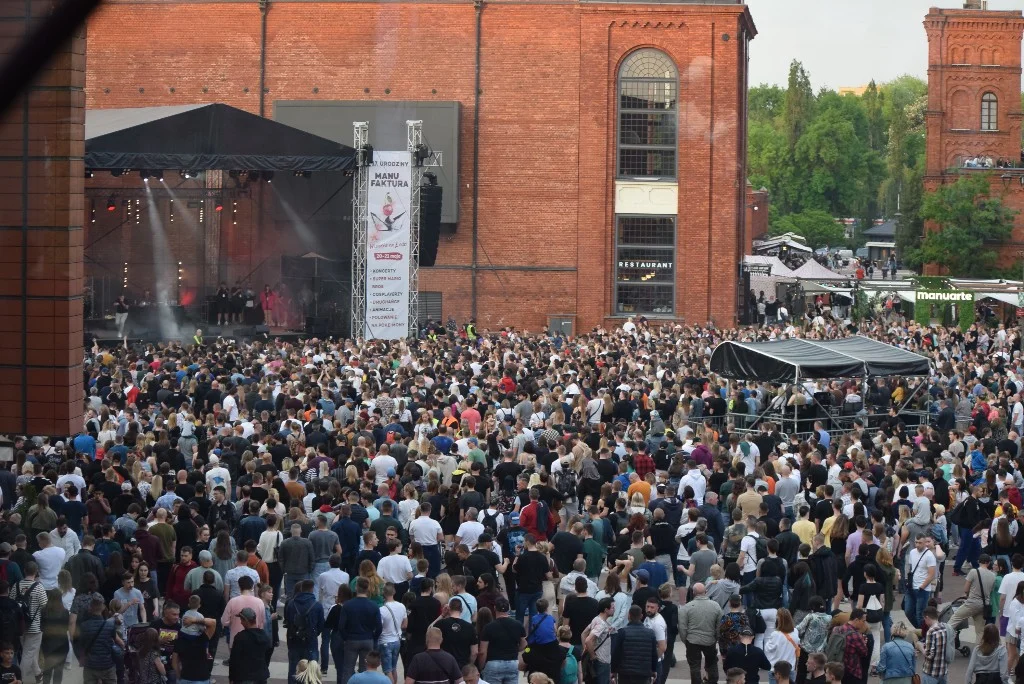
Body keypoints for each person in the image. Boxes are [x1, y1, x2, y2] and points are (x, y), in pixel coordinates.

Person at [338, 576, 383, 684]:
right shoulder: (373, 606)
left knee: (348, 669)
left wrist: (346, 637)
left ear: (356, 587)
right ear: (367, 588)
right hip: (367, 639)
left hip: (352, 639)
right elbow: (379, 627)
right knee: (365, 670)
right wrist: (373, 637)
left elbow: (341, 626)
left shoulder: (347, 605)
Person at [10, 561, 47, 683]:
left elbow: (12, 602)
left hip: (19, 626)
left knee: (29, 651)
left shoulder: (16, 586)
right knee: (28, 654)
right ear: (36, 572)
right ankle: (19, 679)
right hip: (34, 626)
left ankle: (38, 673)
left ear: (24, 571)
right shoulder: (39, 587)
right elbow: (44, 604)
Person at [678, 582, 721, 684]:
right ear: (706, 592)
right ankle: (712, 681)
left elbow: (682, 627)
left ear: (693, 593)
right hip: (710, 640)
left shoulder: (687, 608)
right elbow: (719, 625)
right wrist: (716, 638)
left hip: (692, 641)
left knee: (695, 667)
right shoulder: (715, 606)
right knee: (712, 664)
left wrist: (686, 640)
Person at [285, 579, 325, 681]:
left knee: (293, 669)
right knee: (311, 670)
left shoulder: (291, 604)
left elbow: (288, 622)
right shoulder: (317, 605)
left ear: (301, 588)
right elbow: (321, 625)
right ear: (312, 589)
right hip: (310, 640)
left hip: (294, 640)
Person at [479, 596, 526, 684]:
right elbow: (524, 644)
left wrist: (481, 667)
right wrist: (516, 650)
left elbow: (483, 652)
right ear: (508, 609)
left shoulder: (488, 627)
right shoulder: (518, 625)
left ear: (494, 608)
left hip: (493, 663)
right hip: (512, 663)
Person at [77, 595, 123, 684]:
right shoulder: (109, 625)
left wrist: (82, 659)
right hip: (107, 665)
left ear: (90, 608)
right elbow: (119, 641)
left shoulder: (83, 626)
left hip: (90, 666)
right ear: (103, 608)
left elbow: (81, 646)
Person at [611, 605, 658, 684]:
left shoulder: (622, 632)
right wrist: (654, 670)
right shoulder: (650, 633)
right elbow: (654, 654)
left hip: (625, 673)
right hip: (644, 672)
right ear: (641, 616)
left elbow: (616, 653)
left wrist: (613, 670)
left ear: (629, 615)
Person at [228, 607, 271, 684]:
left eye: (241, 620)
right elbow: (267, 655)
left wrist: (231, 677)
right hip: (261, 676)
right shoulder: (264, 635)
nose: (241, 622)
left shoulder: (241, 637)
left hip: (244, 677)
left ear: (246, 620)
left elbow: (234, 659)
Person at [582, 597, 616, 684]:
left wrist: (585, 649)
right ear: (606, 610)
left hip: (599, 661)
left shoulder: (596, 619)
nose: (614, 609)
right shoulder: (601, 624)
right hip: (602, 661)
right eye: (612, 607)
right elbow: (588, 640)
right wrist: (593, 656)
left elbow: (584, 634)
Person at [378, 583, 407, 684]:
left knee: (387, 670)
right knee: (393, 668)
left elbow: (379, 627)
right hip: (397, 640)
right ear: (394, 592)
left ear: (383, 594)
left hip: (385, 641)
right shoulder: (402, 606)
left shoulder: (381, 610)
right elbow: (405, 624)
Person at [39, 588, 68, 684]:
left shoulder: (44, 611)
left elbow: (41, 628)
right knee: (58, 672)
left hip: (48, 644)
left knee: (47, 671)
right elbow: (67, 628)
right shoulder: (65, 612)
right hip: (62, 644)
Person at [917, 607, 947, 684]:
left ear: (927, 617)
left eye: (924, 619)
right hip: (943, 670)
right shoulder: (944, 627)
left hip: (931, 672)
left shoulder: (931, 631)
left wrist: (920, 647)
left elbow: (929, 655)